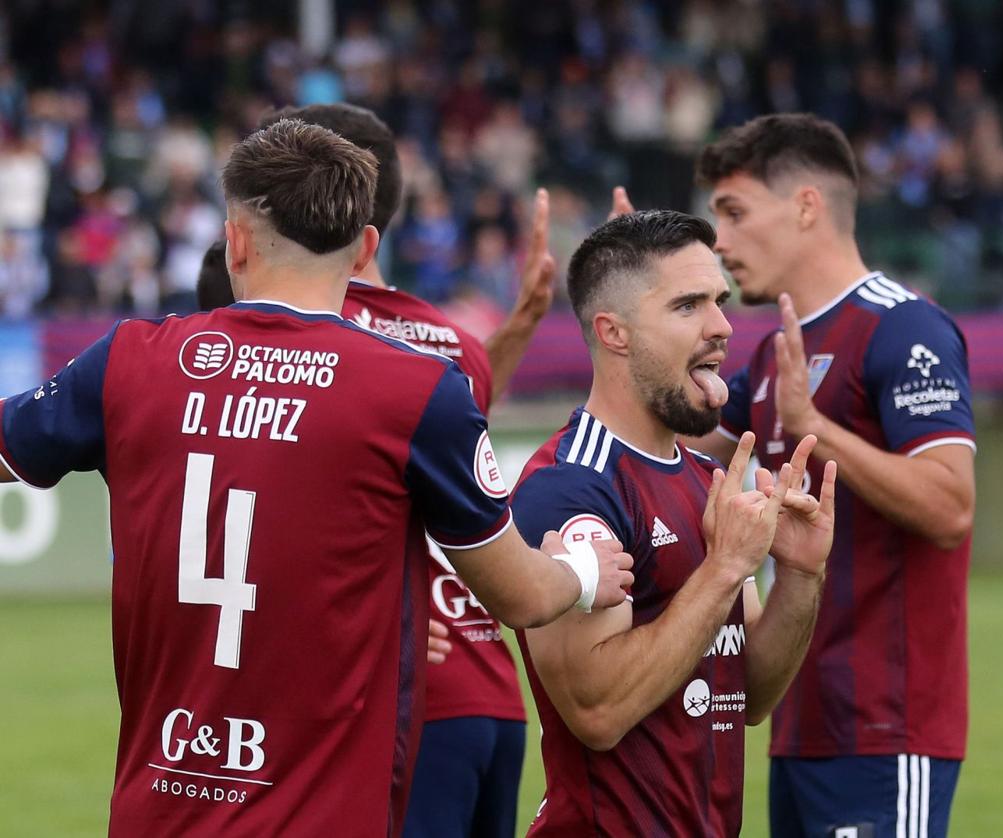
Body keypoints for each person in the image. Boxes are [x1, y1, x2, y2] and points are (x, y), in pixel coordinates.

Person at [0, 119, 633, 836]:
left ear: (234, 239)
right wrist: (582, 569)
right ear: (363, 245)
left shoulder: (131, 361)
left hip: (160, 812)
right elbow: (520, 593)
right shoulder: (417, 389)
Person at [253, 101, 554, 838]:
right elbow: (451, 433)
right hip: (494, 693)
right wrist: (517, 325)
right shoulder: (452, 343)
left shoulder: (307, 344)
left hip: (399, 697)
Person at [690, 113, 976, 838]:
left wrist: (816, 428)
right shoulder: (768, 358)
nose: (719, 240)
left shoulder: (905, 329)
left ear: (807, 206)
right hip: (796, 726)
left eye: (734, 212)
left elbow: (950, 506)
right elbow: (686, 474)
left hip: (887, 729)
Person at [510, 210, 837, 835]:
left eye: (719, 301)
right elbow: (597, 710)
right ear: (615, 333)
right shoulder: (571, 487)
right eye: (688, 306)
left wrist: (799, 574)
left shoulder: (700, 476)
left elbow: (750, 694)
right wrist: (725, 570)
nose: (721, 327)